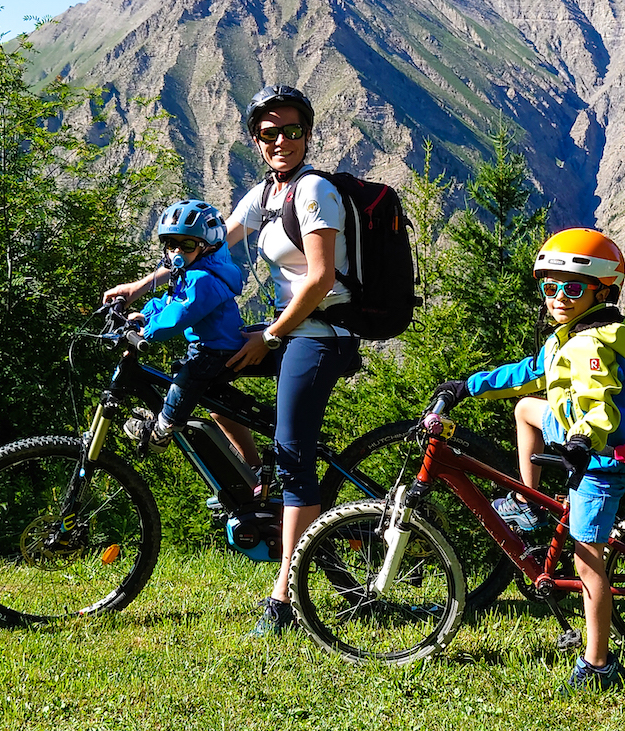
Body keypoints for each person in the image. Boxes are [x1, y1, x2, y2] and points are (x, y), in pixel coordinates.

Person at [434, 228, 625, 694]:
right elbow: (531, 374)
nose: (558, 297)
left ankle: (599, 664)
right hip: (574, 437)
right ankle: (528, 502)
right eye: (550, 287)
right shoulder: (566, 337)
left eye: (572, 288)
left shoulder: (591, 346)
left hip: (601, 457)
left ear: (603, 291)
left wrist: (583, 442)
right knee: (525, 408)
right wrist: (468, 385)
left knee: (589, 561)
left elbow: (600, 404)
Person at [222, 84, 361, 637]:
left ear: (307, 134)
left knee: (295, 454)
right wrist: (145, 286)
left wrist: (272, 336)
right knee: (207, 369)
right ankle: (262, 479)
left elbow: (322, 277)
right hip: (291, 328)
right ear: (256, 141)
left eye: (292, 131)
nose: (281, 140)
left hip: (322, 329)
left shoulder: (313, 192)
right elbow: (210, 244)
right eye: (269, 133)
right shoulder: (265, 195)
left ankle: (285, 597)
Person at [103, 199, 247, 453]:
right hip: (209, 344)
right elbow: (170, 301)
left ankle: (164, 428)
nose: (177, 252)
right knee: (184, 377)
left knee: (186, 380)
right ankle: (169, 413)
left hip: (214, 349)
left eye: (187, 245)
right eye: (171, 245)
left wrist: (147, 331)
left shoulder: (203, 279)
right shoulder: (192, 272)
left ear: (207, 247)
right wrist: (145, 316)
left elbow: (180, 314)